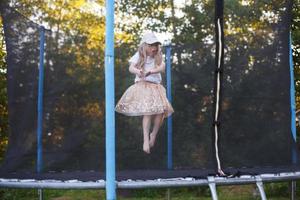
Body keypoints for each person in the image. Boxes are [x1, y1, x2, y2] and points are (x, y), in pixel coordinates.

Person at [115, 32, 174, 154]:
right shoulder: (139, 55)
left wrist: (151, 71)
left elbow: (162, 67)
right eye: (152, 45)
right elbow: (131, 68)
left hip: (156, 87)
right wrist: (139, 71)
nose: (154, 48)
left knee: (161, 112)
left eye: (156, 45)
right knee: (148, 112)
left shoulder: (158, 56)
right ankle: (145, 140)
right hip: (143, 86)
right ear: (145, 46)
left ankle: (153, 134)